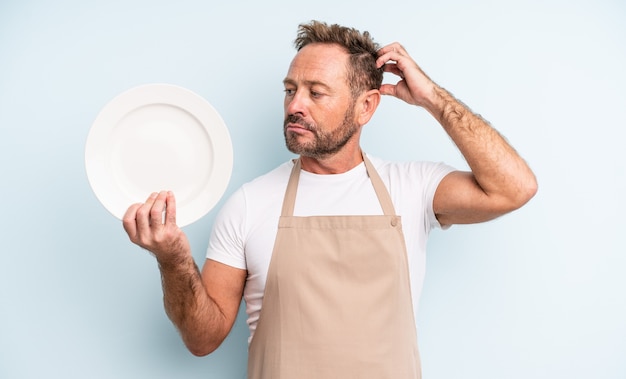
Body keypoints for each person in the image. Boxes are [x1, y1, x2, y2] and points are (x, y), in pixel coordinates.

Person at [122, 20, 537, 379]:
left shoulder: (412, 188)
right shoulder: (250, 203)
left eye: (316, 92)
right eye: (290, 90)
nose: (294, 105)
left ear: (366, 107)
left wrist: (432, 97)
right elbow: (202, 338)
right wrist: (172, 257)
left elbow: (514, 188)